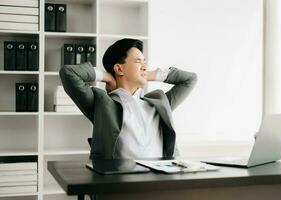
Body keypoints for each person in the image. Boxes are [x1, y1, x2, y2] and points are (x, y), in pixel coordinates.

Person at [59, 38, 197, 159]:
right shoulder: (103, 105)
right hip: (121, 183)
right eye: (138, 62)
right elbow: (69, 73)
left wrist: (148, 74)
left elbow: (190, 79)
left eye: (145, 62)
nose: (144, 66)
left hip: (161, 182)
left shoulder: (159, 103)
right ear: (119, 69)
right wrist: (107, 76)